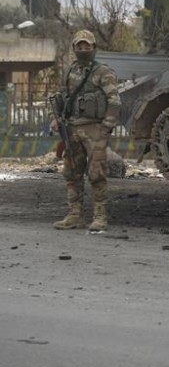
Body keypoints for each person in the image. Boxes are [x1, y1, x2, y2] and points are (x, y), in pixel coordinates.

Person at [52, 30, 121, 232]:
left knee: (97, 173)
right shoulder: (68, 71)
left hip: (95, 130)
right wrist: (54, 120)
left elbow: (114, 102)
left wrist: (106, 127)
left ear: (93, 48)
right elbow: (59, 98)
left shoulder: (103, 72)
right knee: (72, 173)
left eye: (87, 46)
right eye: (79, 46)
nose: (83, 49)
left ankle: (100, 216)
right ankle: (75, 215)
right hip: (72, 128)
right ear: (74, 48)